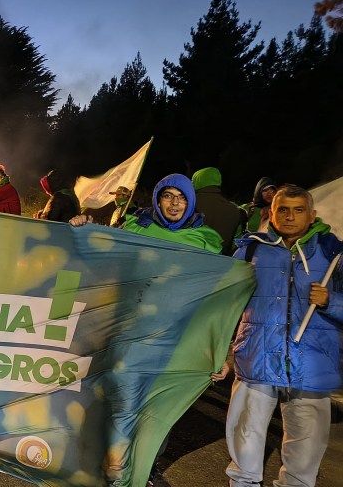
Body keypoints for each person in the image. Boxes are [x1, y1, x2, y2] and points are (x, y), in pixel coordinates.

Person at [70, 173, 222, 486]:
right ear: (157, 199)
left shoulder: (207, 240)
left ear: (191, 201)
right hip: (133, 336)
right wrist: (85, 230)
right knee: (126, 406)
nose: (175, 203)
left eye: (182, 197)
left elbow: (219, 298)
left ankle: (147, 467)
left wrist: (219, 348)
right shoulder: (136, 229)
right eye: (168, 196)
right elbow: (102, 260)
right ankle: (116, 473)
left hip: (179, 339)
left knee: (159, 409)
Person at [222, 184, 342, 487]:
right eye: (283, 210)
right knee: (245, 444)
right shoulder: (249, 250)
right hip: (256, 359)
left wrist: (331, 301)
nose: (290, 216)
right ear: (271, 213)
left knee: (304, 456)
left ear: (312, 214)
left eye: (298, 210)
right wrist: (222, 351)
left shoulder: (334, 254)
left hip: (313, 366)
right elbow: (225, 306)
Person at [191, 167, 246, 255]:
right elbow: (236, 244)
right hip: (221, 259)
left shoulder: (188, 204)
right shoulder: (235, 210)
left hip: (190, 256)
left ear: (196, 181)